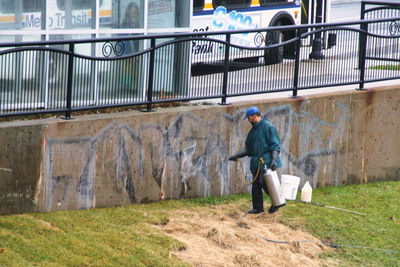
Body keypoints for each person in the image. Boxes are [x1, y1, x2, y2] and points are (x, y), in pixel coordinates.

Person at [229, 106, 286, 214]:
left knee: (263, 181)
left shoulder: (268, 127)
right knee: (256, 185)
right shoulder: (253, 131)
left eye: (249, 118)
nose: (248, 120)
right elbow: (249, 149)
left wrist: (274, 160)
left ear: (254, 116)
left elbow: (275, 146)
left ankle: (278, 202)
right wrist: (236, 156)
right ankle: (258, 208)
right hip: (256, 162)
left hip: (267, 160)